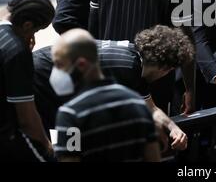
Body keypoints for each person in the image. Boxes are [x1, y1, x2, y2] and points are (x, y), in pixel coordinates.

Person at [33, 25, 193, 150]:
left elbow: (150, 108)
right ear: (165, 68)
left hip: (45, 71)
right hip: (43, 80)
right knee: (63, 143)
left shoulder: (134, 57)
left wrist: (172, 128)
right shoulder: (128, 68)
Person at [51, 29, 160, 161]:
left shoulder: (70, 114)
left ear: (81, 65)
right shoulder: (138, 104)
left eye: (59, 65)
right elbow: (153, 158)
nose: (55, 71)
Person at [0, 0, 55, 161]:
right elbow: (26, 118)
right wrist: (46, 145)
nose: (33, 37)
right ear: (27, 25)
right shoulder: (16, 52)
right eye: (36, 30)